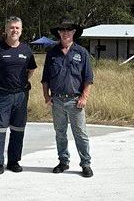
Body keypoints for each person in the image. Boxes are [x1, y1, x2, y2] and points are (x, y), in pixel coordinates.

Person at [0, 16, 37, 178]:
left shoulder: (26, 50)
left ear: (21, 31)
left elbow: (31, 69)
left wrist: (23, 83)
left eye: (17, 28)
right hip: (3, 95)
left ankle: (13, 161)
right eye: (11, 27)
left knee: (18, 129)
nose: (14, 30)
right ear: (6, 30)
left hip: (21, 95)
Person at [41, 18, 94, 178]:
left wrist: (84, 97)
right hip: (57, 100)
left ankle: (86, 164)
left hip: (75, 101)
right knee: (60, 133)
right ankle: (63, 161)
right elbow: (45, 79)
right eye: (62, 30)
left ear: (74, 33)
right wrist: (46, 96)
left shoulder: (81, 53)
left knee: (81, 134)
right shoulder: (51, 53)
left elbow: (88, 78)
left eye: (69, 30)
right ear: (58, 33)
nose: (65, 33)